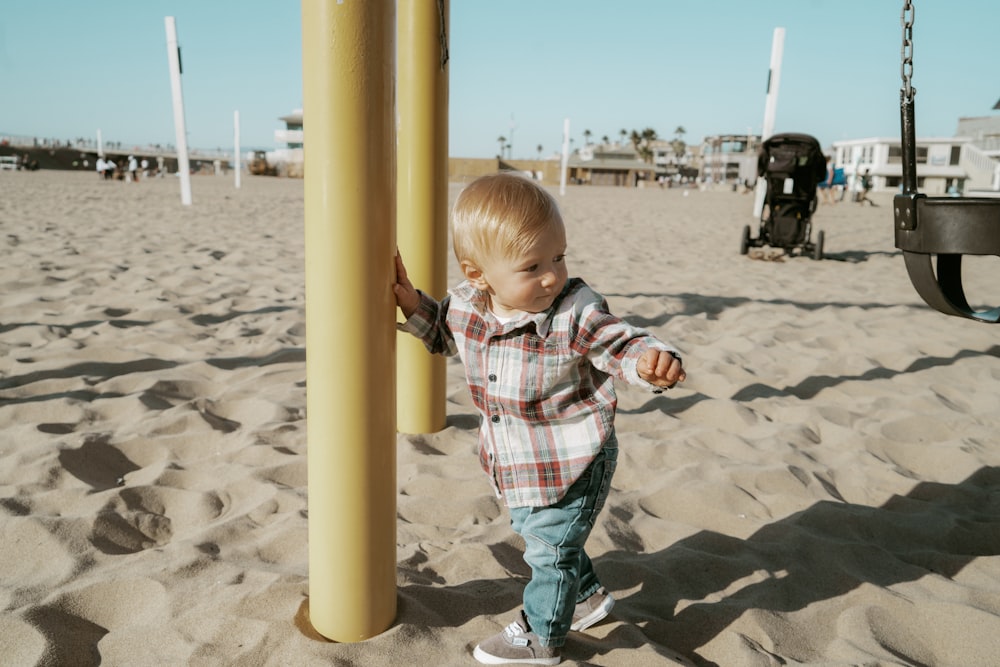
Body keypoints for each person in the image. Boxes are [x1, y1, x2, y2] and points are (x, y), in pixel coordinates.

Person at [393, 172, 686, 665]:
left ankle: (542, 636)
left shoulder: (574, 311)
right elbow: (445, 333)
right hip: (517, 461)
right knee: (541, 535)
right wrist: (413, 304)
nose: (552, 275)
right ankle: (588, 598)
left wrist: (649, 361)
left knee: (548, 552)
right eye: (532, 266)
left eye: (559, 256)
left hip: (574, 461)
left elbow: (619, 341)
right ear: (478, 275)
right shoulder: (467, 306)